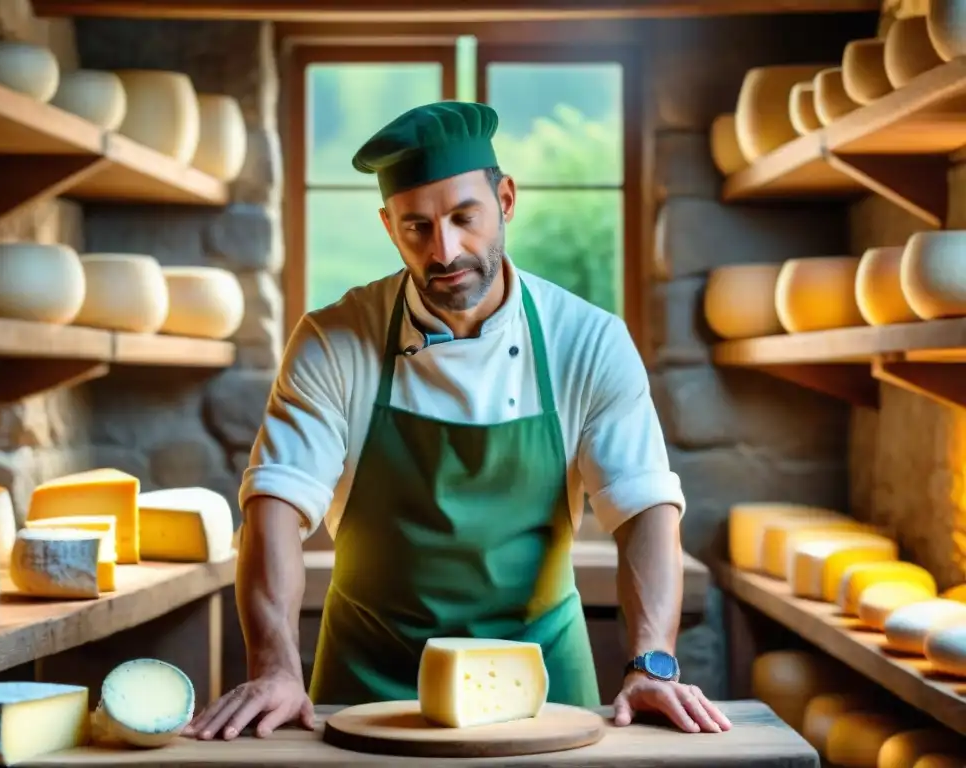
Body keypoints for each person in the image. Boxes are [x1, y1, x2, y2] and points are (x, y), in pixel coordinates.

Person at [184, 101, 731, 741]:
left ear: (505, 200)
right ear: (389, 227)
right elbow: (275, 504)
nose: (444, 250)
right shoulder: (334, 340)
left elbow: (644, 509)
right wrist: (274, 667)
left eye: (463, 218)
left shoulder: (589, 340)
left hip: (542, 689)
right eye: (416, 226)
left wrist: (653, 665)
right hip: (371, 684)